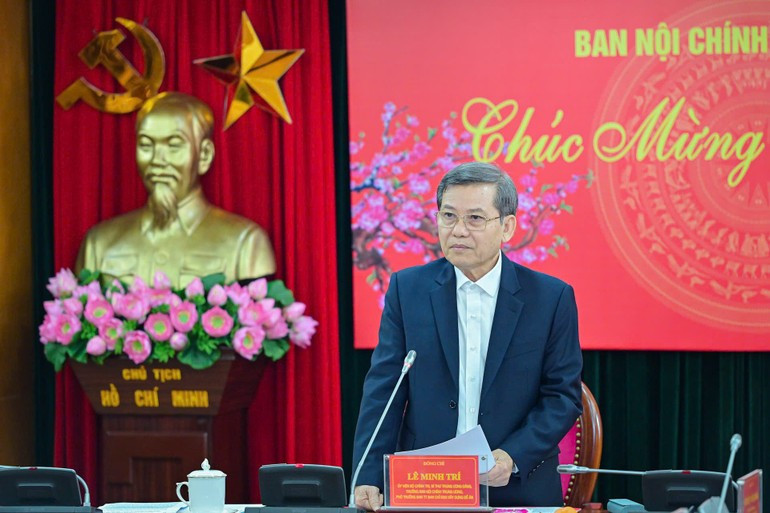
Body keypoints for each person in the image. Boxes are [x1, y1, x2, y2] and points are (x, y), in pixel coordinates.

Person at [352, 162, 583, 508]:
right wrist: (368, 475)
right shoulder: (407, 290)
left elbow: (562, 396)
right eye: (448, 216)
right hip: (426, 485)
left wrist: (512, 456)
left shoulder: (550, 298)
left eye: (475, 218)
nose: (458, 230)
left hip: (516, 485)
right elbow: (384, 392)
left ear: (507, 227)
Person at [76, 92, 276, 288]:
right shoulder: (98, 244)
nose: (157, 160)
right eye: (146, 145)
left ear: (204, 155)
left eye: (174, 146)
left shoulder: (245, 243)